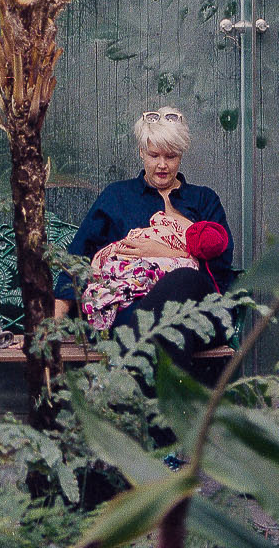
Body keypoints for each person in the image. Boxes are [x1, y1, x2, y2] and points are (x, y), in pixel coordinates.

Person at [52, 108, 234, 380]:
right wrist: (50, 327)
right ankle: (169, 401)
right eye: (154, 155)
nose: (162, 165)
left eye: (170, 156)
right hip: (132, 310)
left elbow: (221, 261)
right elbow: (77, 260)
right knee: (161, 327)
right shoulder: (117, 197)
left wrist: (164, 253)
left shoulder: (204, 200)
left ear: (181, 155)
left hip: (198, 310)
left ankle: (128, 394)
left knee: (183, 279)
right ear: (141, 152)